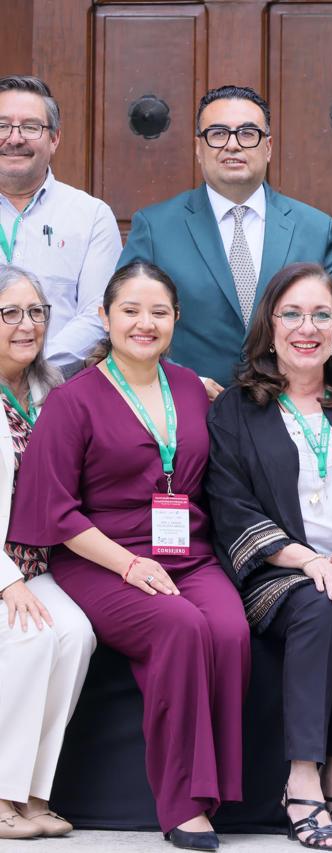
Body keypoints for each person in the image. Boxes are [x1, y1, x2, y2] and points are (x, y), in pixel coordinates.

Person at [7, 261, 251, 851]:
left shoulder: (193, 388)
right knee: (180, 626)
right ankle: (183, 803)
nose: (145, 323)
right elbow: (56, 514)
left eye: (159, 312)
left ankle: (221, 788)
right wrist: (128, 564)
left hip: (187, 554)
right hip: (99, 560)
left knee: (230, 630)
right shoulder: (72, 401)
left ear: (175, 321)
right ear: (105, 317)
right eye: (131, 310)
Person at [205, 262, 332, 849]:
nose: (307, 327)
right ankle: (301, 781)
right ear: (269, 325)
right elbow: (232, 506)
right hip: (277, 571)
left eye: (322, 314)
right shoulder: (237, 409)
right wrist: (308, 562)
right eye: (292, 314)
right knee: (320, 607)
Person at [118, 85, 332, 395]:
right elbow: (124, 328)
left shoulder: (314, 228)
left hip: (288, 413)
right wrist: (179, 385)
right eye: (217, 134)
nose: (232, 145)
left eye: (247, 134)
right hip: (188, 414)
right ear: (199, 148)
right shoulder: (155, 227)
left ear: (268, 147)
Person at [0, 265, 95, 840]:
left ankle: (34, 793)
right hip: (5, 569)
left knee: (76, 633)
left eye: (36, 312)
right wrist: (6, 582)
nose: (26, 324)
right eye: (10, 312)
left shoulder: (51, 387)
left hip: (39, 564)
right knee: (30, 634)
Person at [0, 75, 121, 370]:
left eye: (30, 127)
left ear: (54, 139)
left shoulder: (92, 216)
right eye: (2, 126)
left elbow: (99, 315)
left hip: (57, 396)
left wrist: (30, 369)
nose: (15, 139)